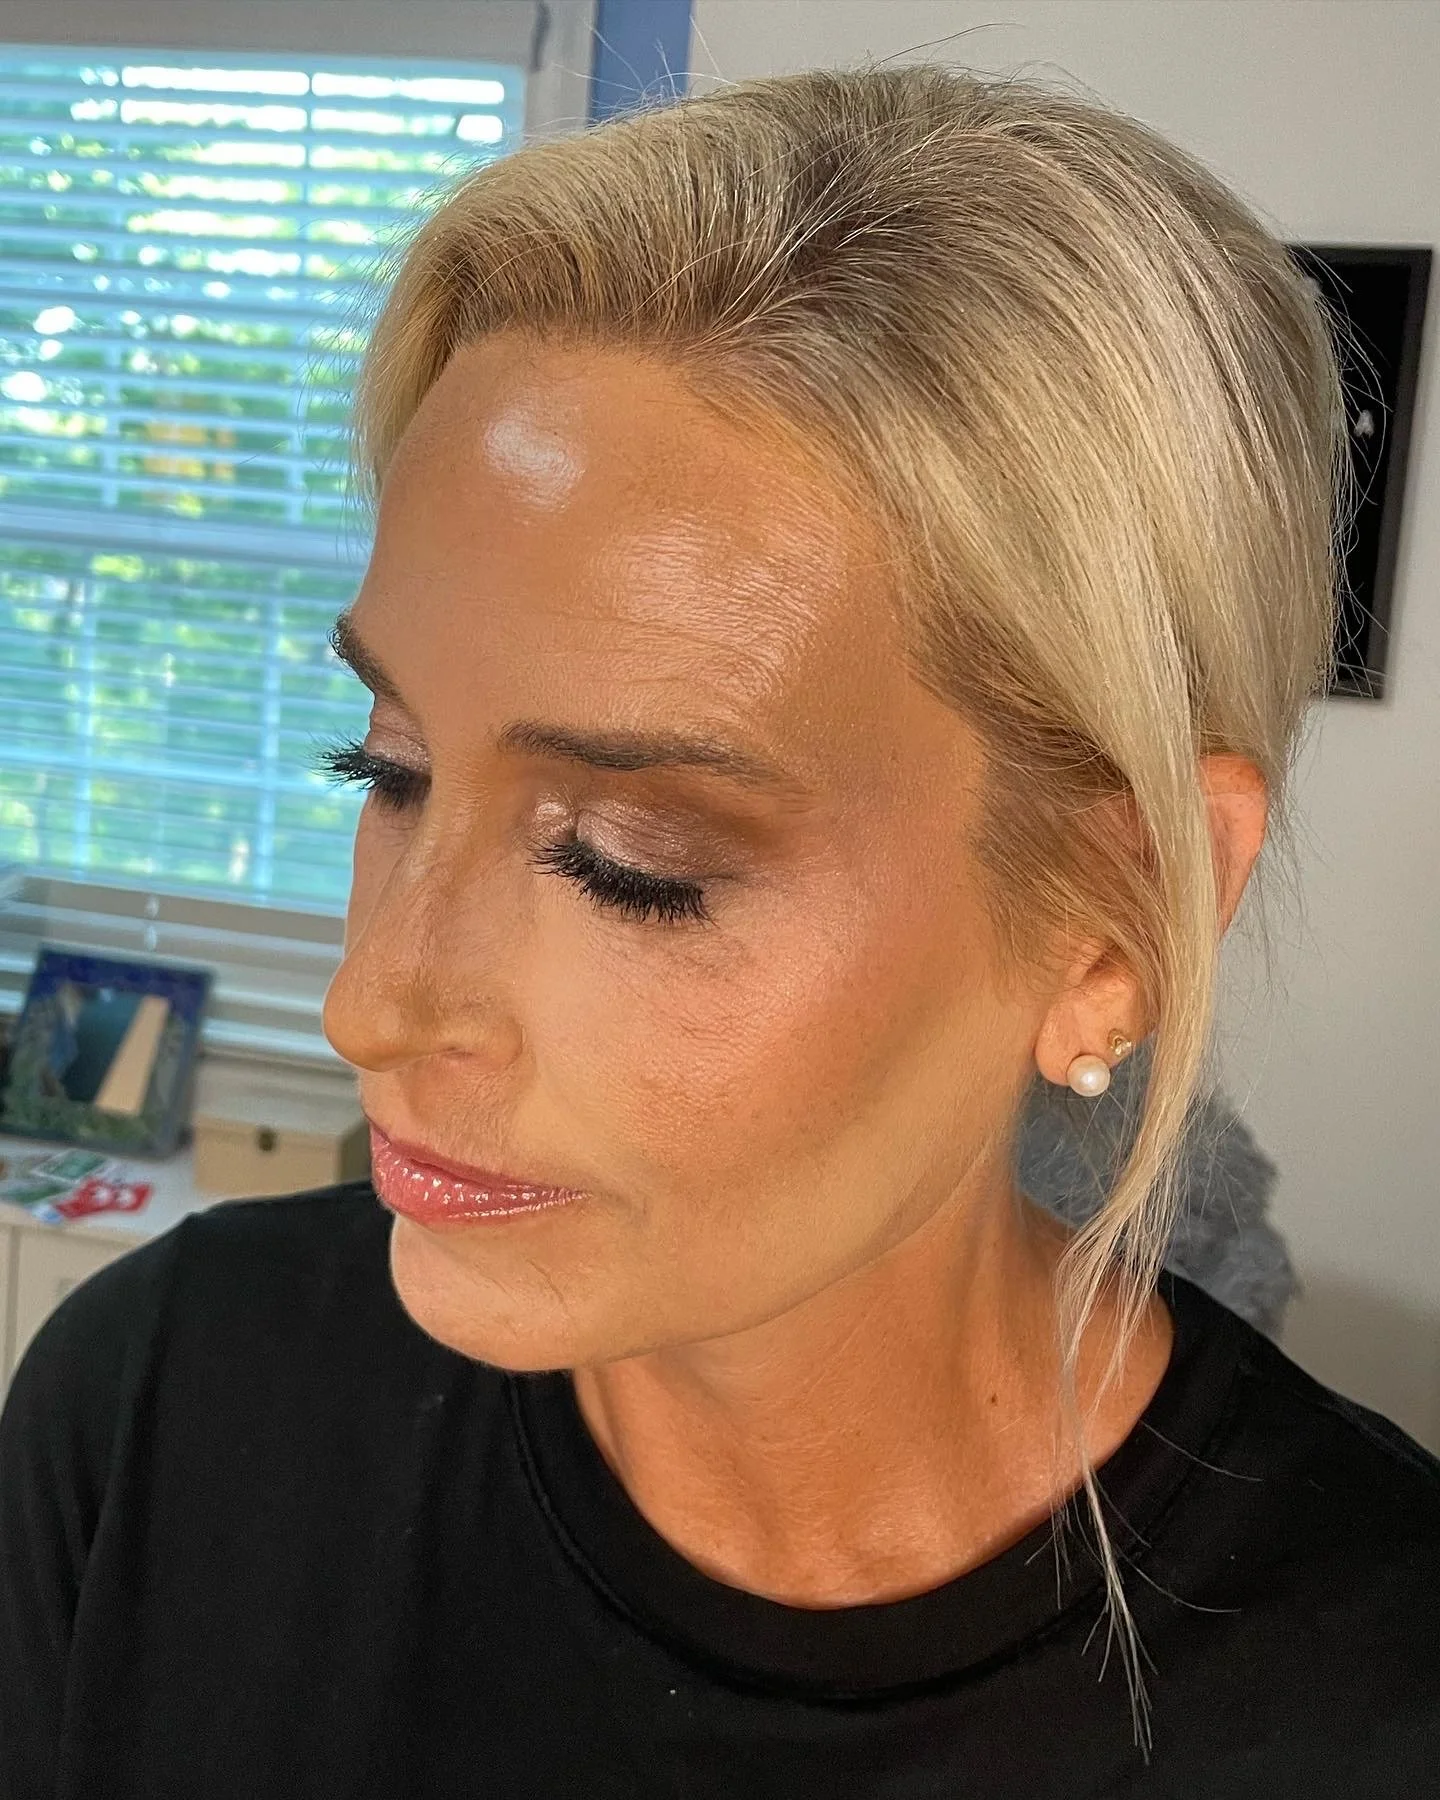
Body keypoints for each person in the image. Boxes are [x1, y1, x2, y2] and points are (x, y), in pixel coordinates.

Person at [1, 63, 1436, 1800]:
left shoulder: (1378, 1694)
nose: (369, 1003)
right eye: (385, 770)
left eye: (628, 860)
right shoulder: (156, 1409)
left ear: (1121, 920)